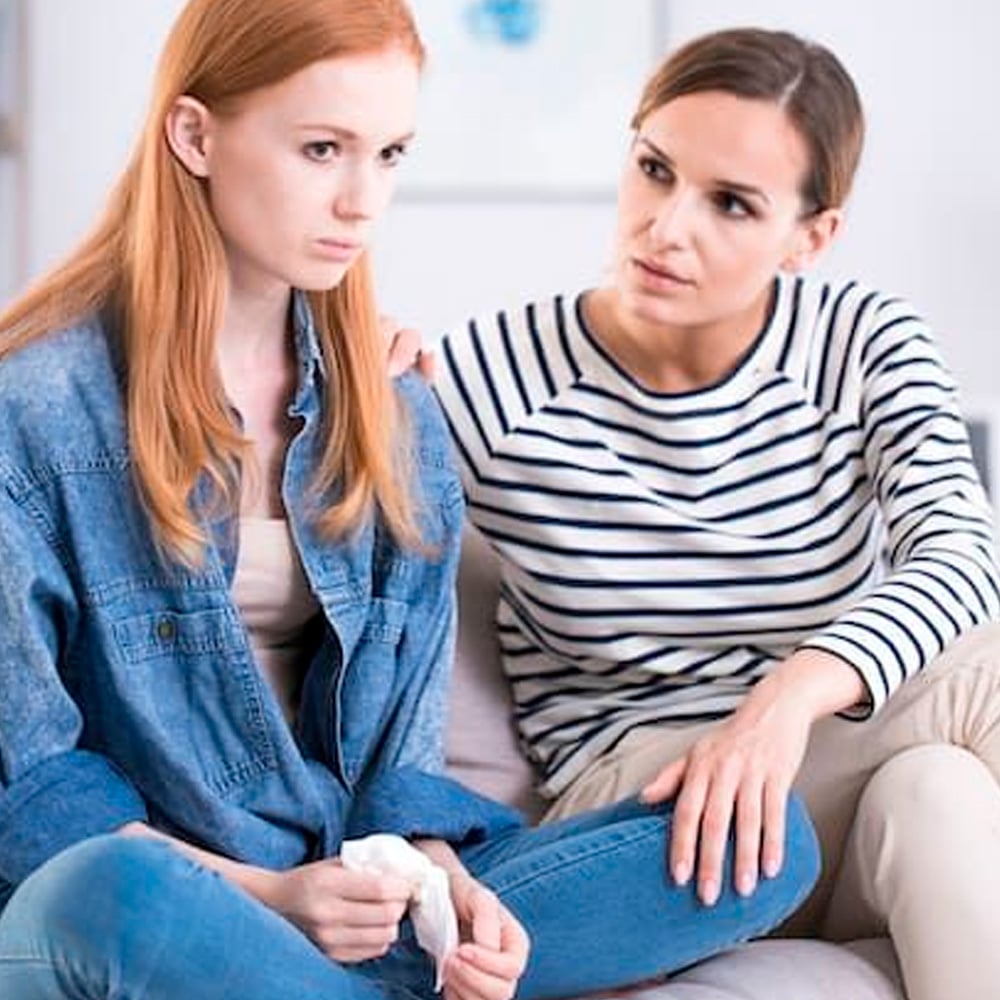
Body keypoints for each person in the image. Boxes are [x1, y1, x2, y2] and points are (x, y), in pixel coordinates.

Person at [0, 4, 822, 1000]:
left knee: (762, 839)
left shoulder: (393, 413)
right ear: (194, 135)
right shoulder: (36, 408)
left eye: (388, 153)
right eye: (320, 149)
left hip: (348, 895)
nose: (361, 200)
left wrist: (446, 891)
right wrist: (272, 896)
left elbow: (396, 765)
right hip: (154, 889)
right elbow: (32, 787)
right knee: (107, 891)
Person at [431, 26, 1000, 1000]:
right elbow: (334, 548)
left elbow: (959, 547)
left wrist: (783, 701)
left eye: (730, 203)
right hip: (640, 823)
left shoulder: (860, 342)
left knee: (939, 791)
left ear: (810, 237)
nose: (665, 226)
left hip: (822, 794)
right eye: (654, 169)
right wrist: (347, 382)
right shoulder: (488, 382)